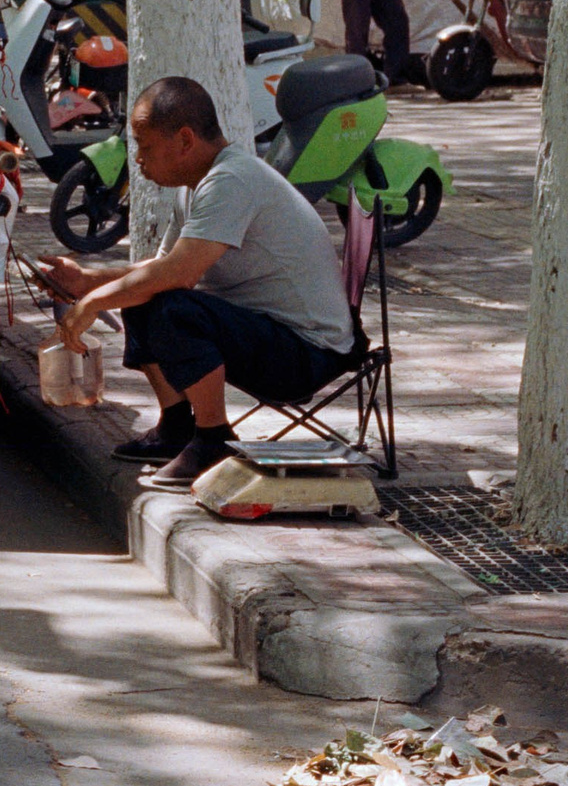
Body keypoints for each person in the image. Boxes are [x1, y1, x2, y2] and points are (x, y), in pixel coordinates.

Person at [44, 77, 355, 489]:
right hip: (272, 335)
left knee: (172, 307)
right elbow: (162, 266)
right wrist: (87, 282)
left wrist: (94, 302)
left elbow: (178, 274)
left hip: (308, 352)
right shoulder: (197, 184)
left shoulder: (231, 181)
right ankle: (177, 426)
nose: (138, 159)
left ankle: (213, 438)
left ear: (185, 140)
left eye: (145, 146)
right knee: (143, 294)